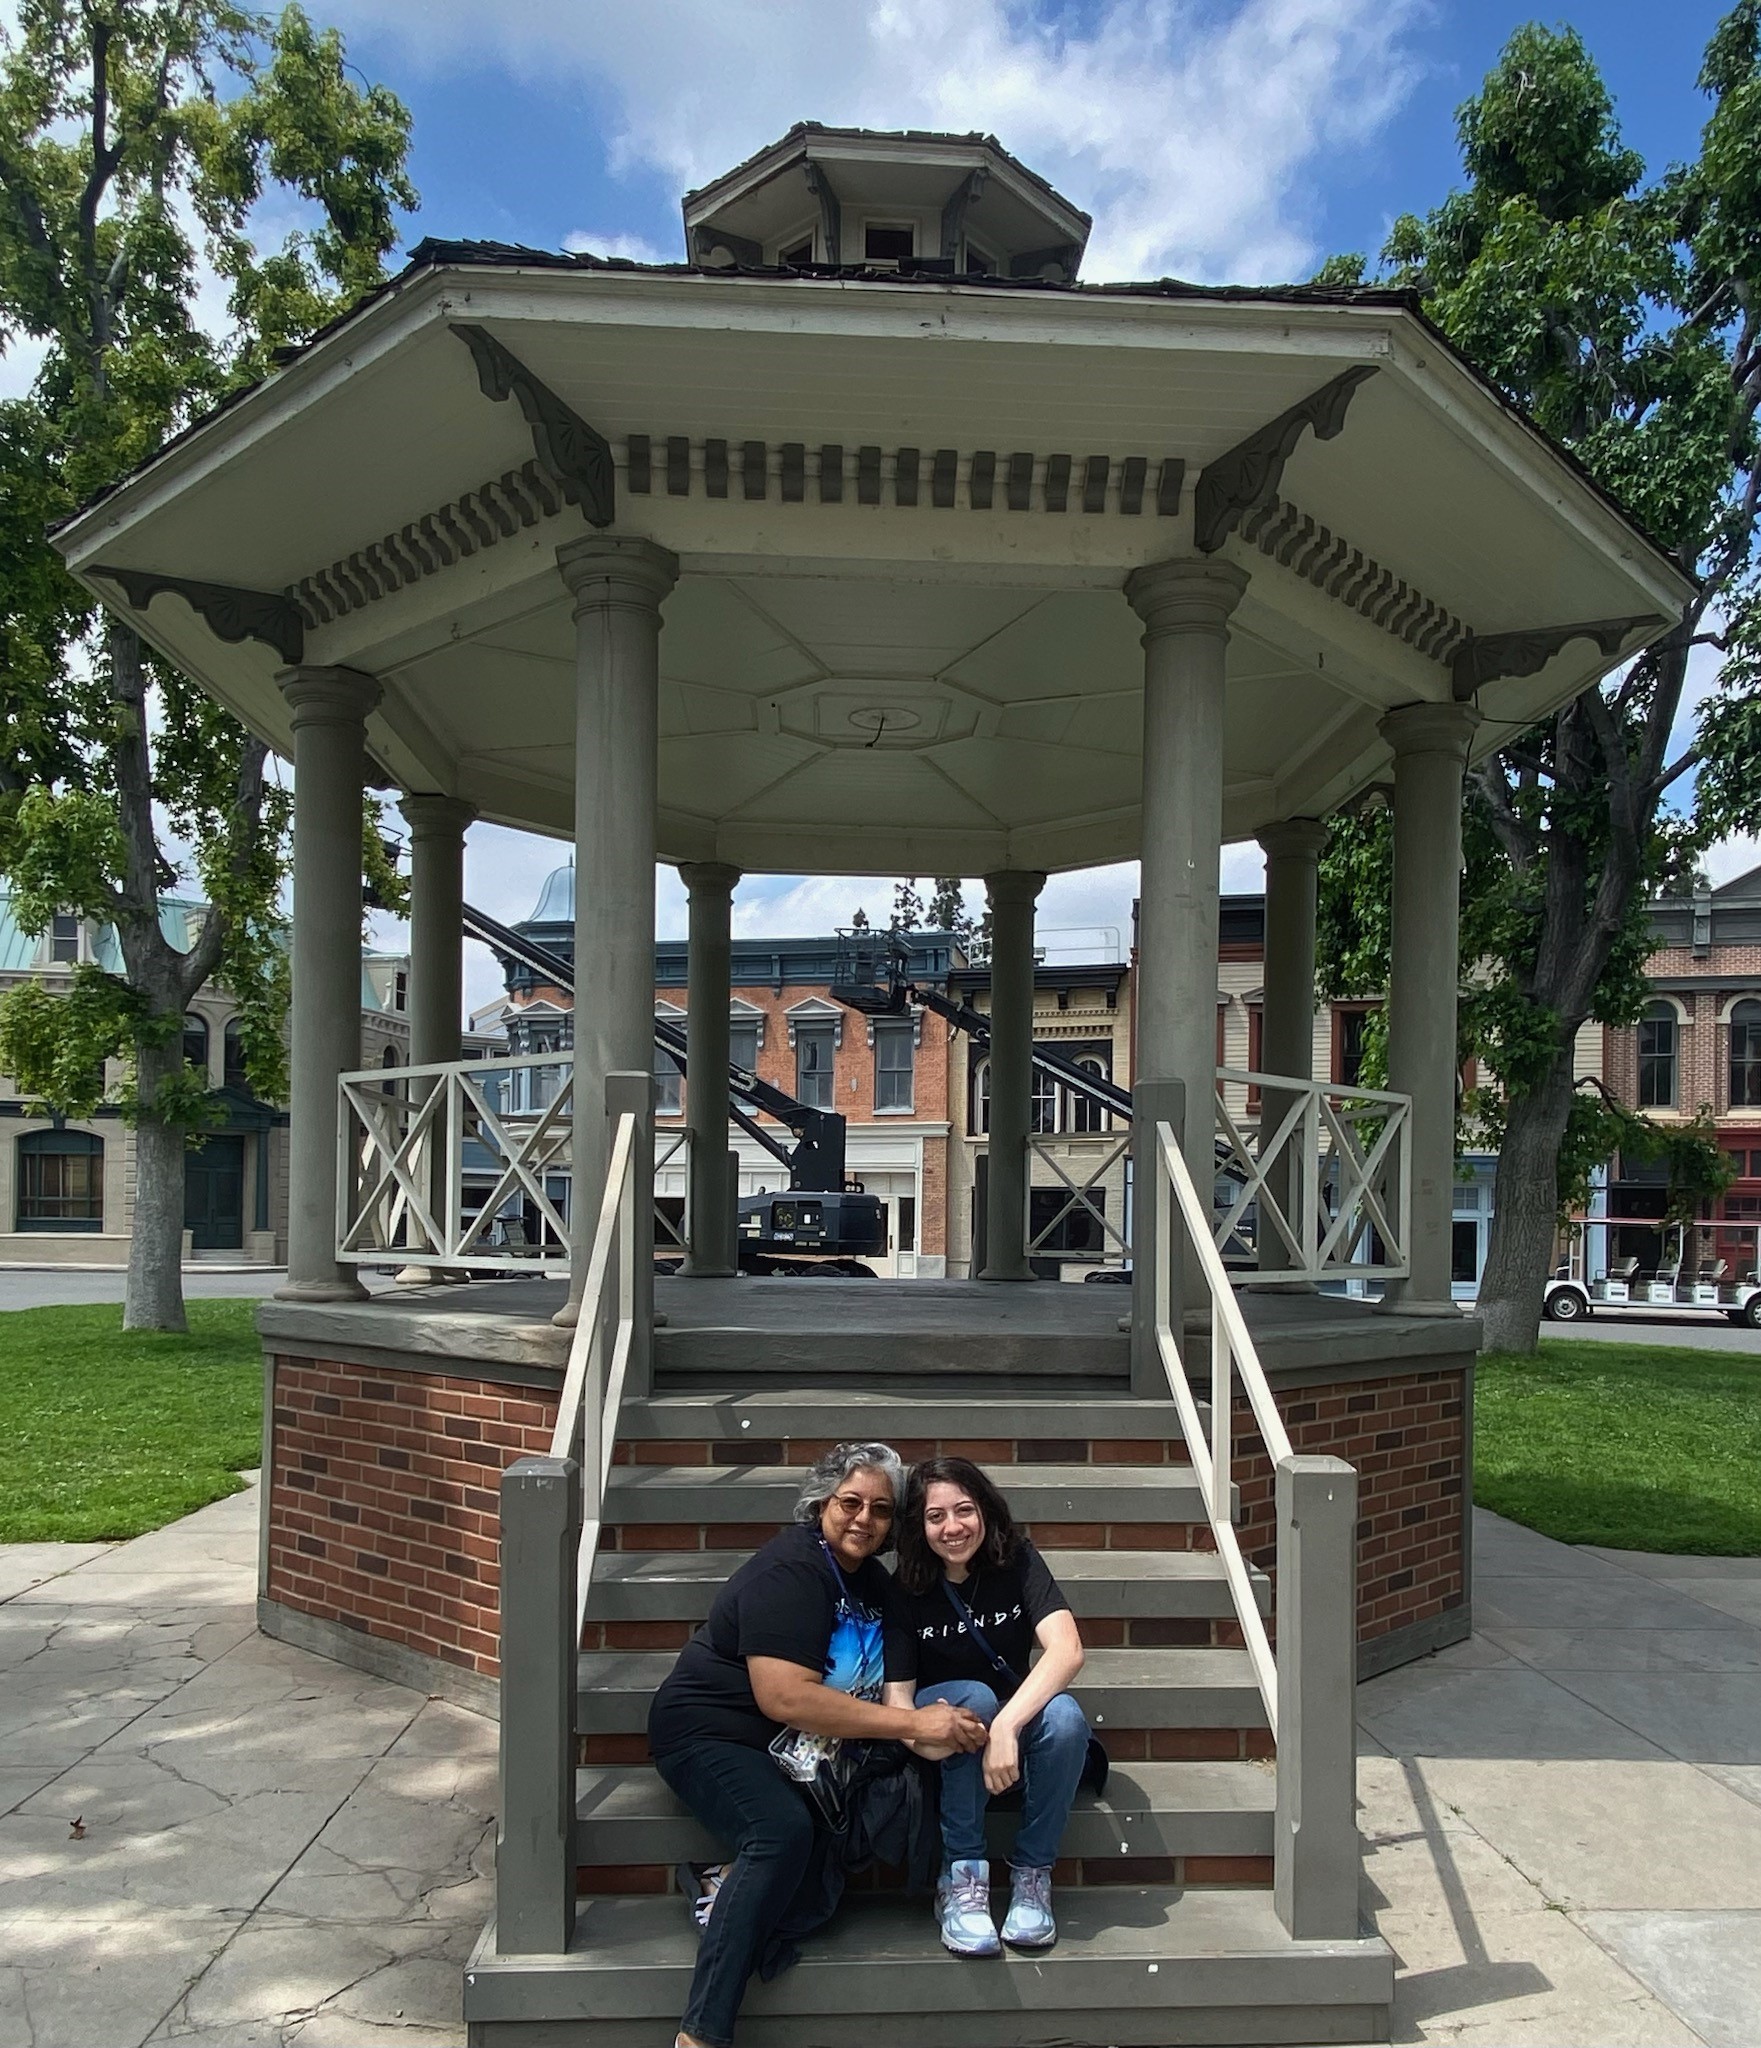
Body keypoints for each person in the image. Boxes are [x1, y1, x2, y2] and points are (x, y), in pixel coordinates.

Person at [647, 1441, 988, 2048]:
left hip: (792, 1746)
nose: (864, 1519)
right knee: (781, 1832)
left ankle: (721, 1883)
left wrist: (945, 1725)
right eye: (850, 1502)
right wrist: (915, 1728)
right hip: (709, 1731)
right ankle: (700, 2033)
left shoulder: (874, 1586)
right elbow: (786, 1698)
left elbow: (896, 1692)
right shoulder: (792, 1571)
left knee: (861, 1808)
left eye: (881, 1510)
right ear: (821, 1502)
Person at [894, 1455, 1089, 1957]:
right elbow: (898, 1702)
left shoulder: (1016, 1559)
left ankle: (1031, 1876)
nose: (953, 1527)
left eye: (964, 1510)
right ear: (919, 1525)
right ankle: (961, 1877)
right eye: (936, 1517)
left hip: (1003, 1720)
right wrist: (930, 1738)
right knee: (973, 1700)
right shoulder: (905, 1587)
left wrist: (1004, 1728)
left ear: (985, 1509)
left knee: (1066, 1718)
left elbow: (1067, 1649)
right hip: (944, 1728)